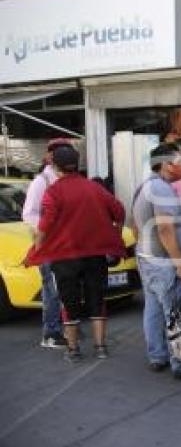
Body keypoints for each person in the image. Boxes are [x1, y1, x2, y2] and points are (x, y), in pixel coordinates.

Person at [24, 146, 126, 363]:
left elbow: (45, 224)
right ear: (77, 164)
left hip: (65, 256)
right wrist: (114, 235)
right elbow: (119, 211)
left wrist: (36, 249)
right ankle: (100, 347)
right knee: (97, 299)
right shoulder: (95, 188)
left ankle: (73, 350)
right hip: (95, 253)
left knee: (69, 302)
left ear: (55, 166)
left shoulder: (54, 191)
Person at [132, 143, 181, 379]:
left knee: (154, 308)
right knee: (175, 312)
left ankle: (157, 356)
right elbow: (165, 229)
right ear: (166, 165)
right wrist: (180, 263)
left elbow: (133, 224)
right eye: (180, 160)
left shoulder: (145, 186)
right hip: (163, 262)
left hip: (148, 258)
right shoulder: (161, 189)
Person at [22, 138, 73, 349]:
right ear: (50, 156)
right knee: (52, 290)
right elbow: (29, 213)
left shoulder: (67, 178)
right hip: (49, 245)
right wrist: (46, 230)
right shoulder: (42, 181)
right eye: (62, 152)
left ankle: (64, 328)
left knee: (63, 289)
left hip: (67, 244)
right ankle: (51, 333)